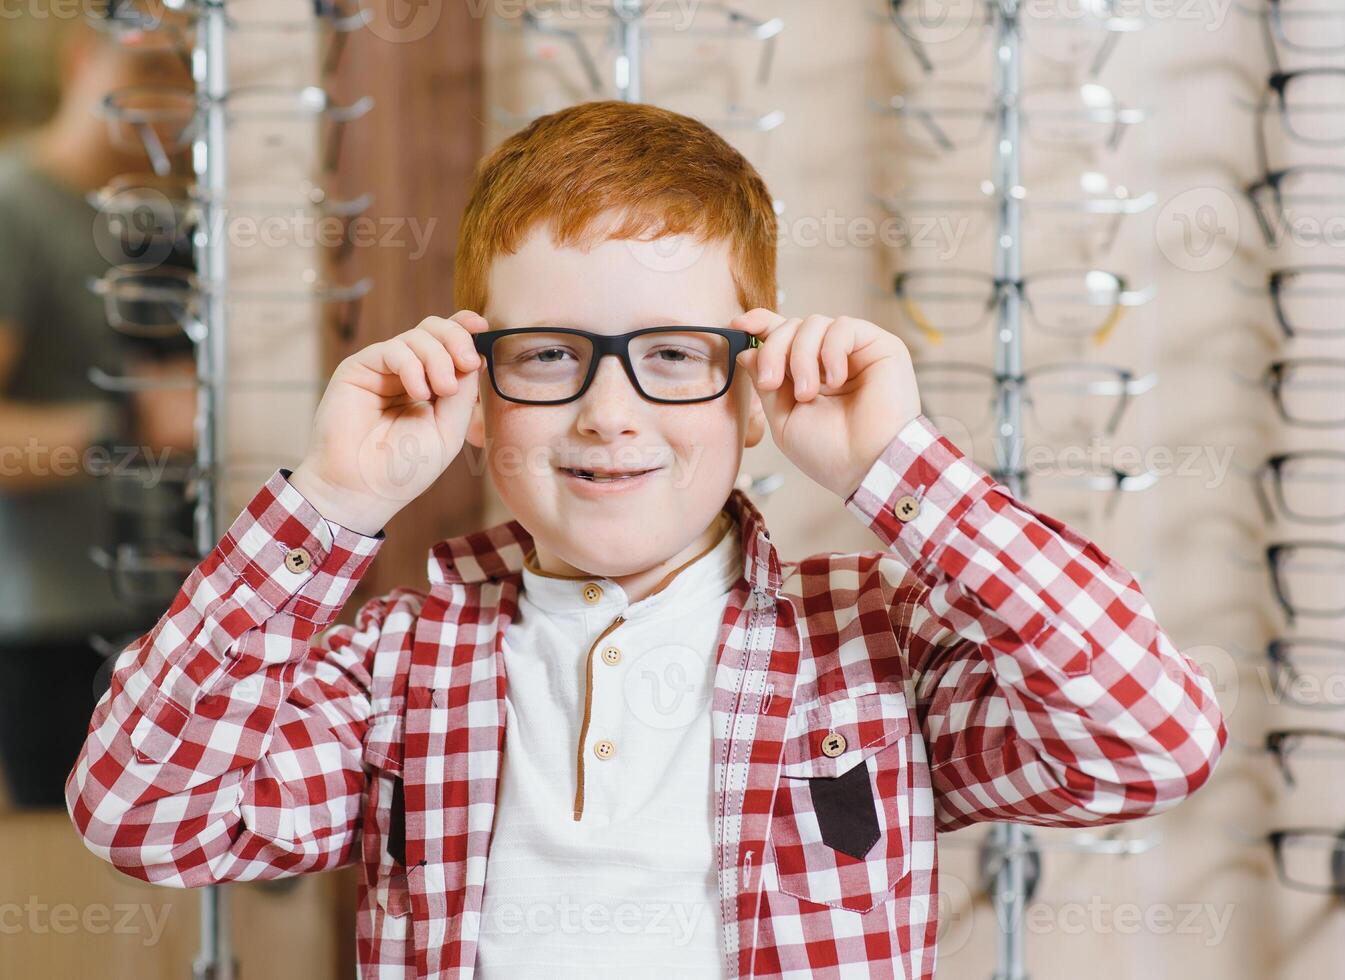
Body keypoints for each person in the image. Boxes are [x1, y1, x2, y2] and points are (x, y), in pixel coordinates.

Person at [65, 100, 1228, 977]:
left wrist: (899, 468)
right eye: (548, 355)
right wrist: (329, 503)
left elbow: (1149, 740)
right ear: (476, 390)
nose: (608, 413)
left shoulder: (875, 644)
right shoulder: (398, 667)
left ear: (752, 388)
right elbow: (145, 814)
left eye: (672, 355)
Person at [0, 19, 194, 808]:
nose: (169, 97)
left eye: (188, 71)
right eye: (150, 64)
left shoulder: (155, 221)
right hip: (55, 634)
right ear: (85, 54)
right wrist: (128, 426)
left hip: (166, 618)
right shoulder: (14, 206)